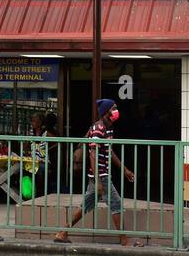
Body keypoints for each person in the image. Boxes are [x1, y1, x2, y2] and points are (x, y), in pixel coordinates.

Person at [53, 99, 138, 246]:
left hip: (99, 175)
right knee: (116, 204)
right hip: (101, 176)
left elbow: (109, 151)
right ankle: (124, 240)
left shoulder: (109, 128)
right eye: (113, 108)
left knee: (85, 206)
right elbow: (93, 154)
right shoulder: (99, 128)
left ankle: (62, 232)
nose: (116, 110)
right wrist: (99, 180)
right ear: (106, 112)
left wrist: (124, 170)